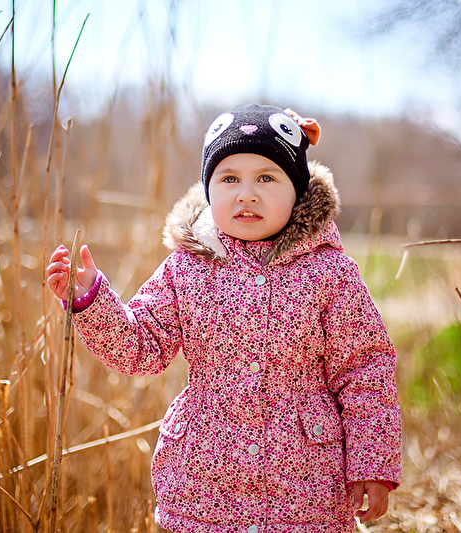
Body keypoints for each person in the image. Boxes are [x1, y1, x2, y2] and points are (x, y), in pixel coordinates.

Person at [47, 103, 401, 533]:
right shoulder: (186, 268)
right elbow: (141, 348)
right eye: (229, 178)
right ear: (209, 190)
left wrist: (372, 463)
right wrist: (91, 301)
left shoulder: (329, 272)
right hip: (202, 485)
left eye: (266, 178)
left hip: (305, 491)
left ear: (298, 190)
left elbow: (364, 368)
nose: (246, 194)